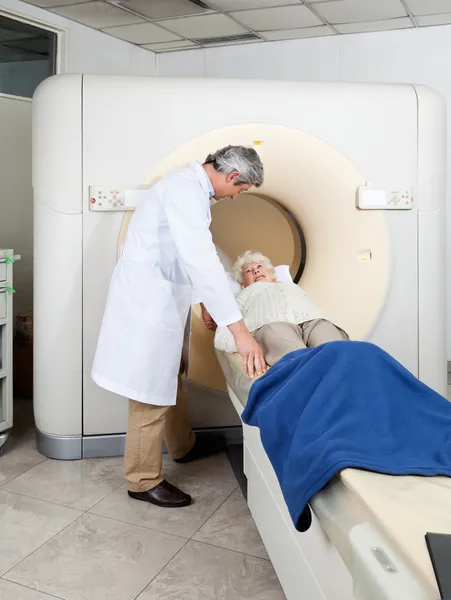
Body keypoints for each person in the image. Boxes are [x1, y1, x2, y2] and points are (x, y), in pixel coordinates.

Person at [92, 148, 266, 509]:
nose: (236, 197)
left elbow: (198, 252)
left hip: (164, 299)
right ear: (232, 177)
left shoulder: (192, 190)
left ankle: (183, 445)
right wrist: (241, 333)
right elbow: (199, 259)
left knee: (172, 375)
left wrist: (206, 302)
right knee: (149, 390)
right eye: (242, 190)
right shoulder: (184, 190)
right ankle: (142, 480)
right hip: (147, 305)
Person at [213, 250, 348, 367]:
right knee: (296, 357)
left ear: (271, 273)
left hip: (313, 320)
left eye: (259, 266)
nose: (256, 270)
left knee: (335, 348)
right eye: (248, 270)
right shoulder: (243, 294)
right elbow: (224, 331)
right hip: (272, 324)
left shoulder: (293, 287)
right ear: (242, 283)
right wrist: (245, 339)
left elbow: (312, 307)